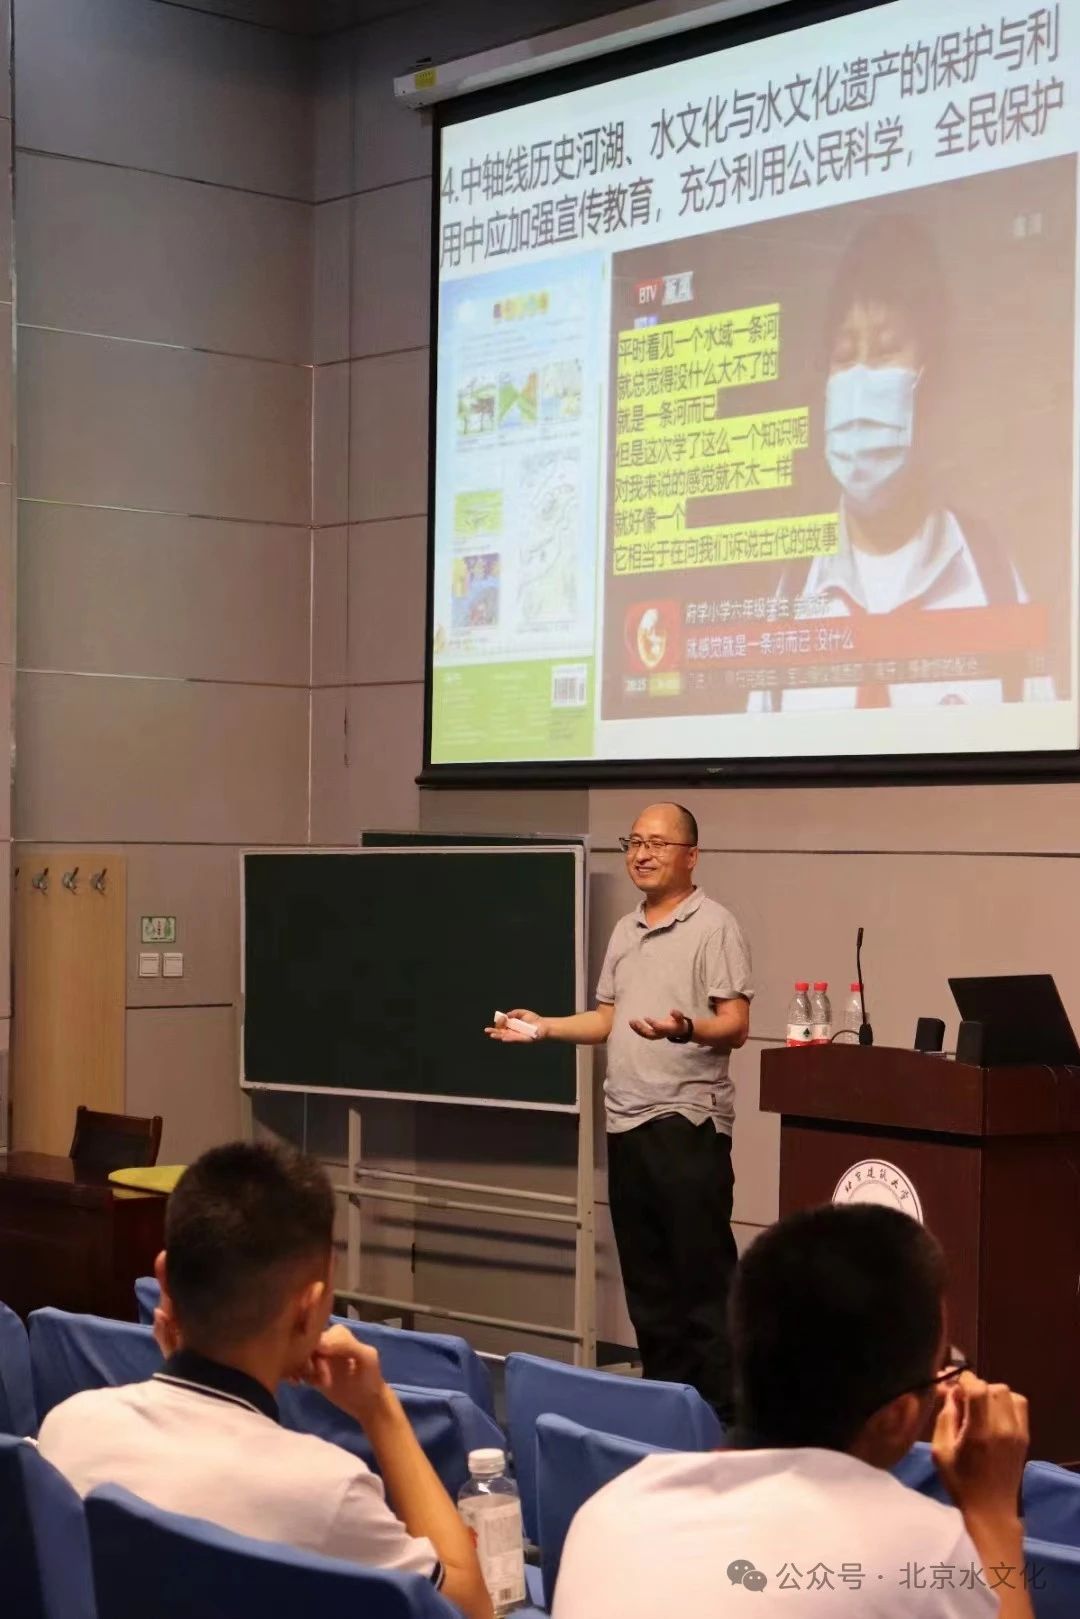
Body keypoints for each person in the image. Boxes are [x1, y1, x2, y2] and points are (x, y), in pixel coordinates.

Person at [37, 1141, 492, 1619]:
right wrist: (379, 1408)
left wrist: (190, 1360)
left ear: (164, 1280)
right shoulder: (327, 1493)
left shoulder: (69, 1428)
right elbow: (470, 1607)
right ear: (309, 1308)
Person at [555, 1204, 1033, 1619]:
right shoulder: (925, 1552)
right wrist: (991, 1511)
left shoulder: (607, 1515)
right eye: (943, 1366)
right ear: (898, 1418)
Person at [486, 801, 751, 1417]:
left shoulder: (714, 925)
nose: (642, 854)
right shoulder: (626, 930)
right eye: (634, 842)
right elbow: (607, 1017)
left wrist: (685, 1028)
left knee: (702, 1283)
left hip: (687, 1122)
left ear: (691, 855)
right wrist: (543, 1027)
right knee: (650, 1288)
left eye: (657, 843)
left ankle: (727, 1417)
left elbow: (736, 1025)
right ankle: (667, 1411)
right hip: (626, 1123)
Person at [755, 212, 1051, 711]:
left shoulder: (992, 577)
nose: (860, 379)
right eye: (844, 355)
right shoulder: (792, 593)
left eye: (887, 350)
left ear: (929, 378)